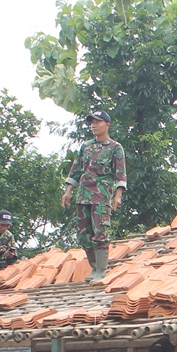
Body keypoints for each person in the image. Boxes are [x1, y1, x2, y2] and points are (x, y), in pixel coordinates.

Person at [62, 110, 127, 282]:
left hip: (101, 196)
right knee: (83, 234)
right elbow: (76, 170)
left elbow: (120, 173)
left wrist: (118, 195)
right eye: (92, 122)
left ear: (107, 125)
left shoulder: (115, 147)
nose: (94, 125)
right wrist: (68, 191)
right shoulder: (86, 146)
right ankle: (94, 267)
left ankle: (101, 270)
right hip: (83, 195)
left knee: (100, 232)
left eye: (98, 122)